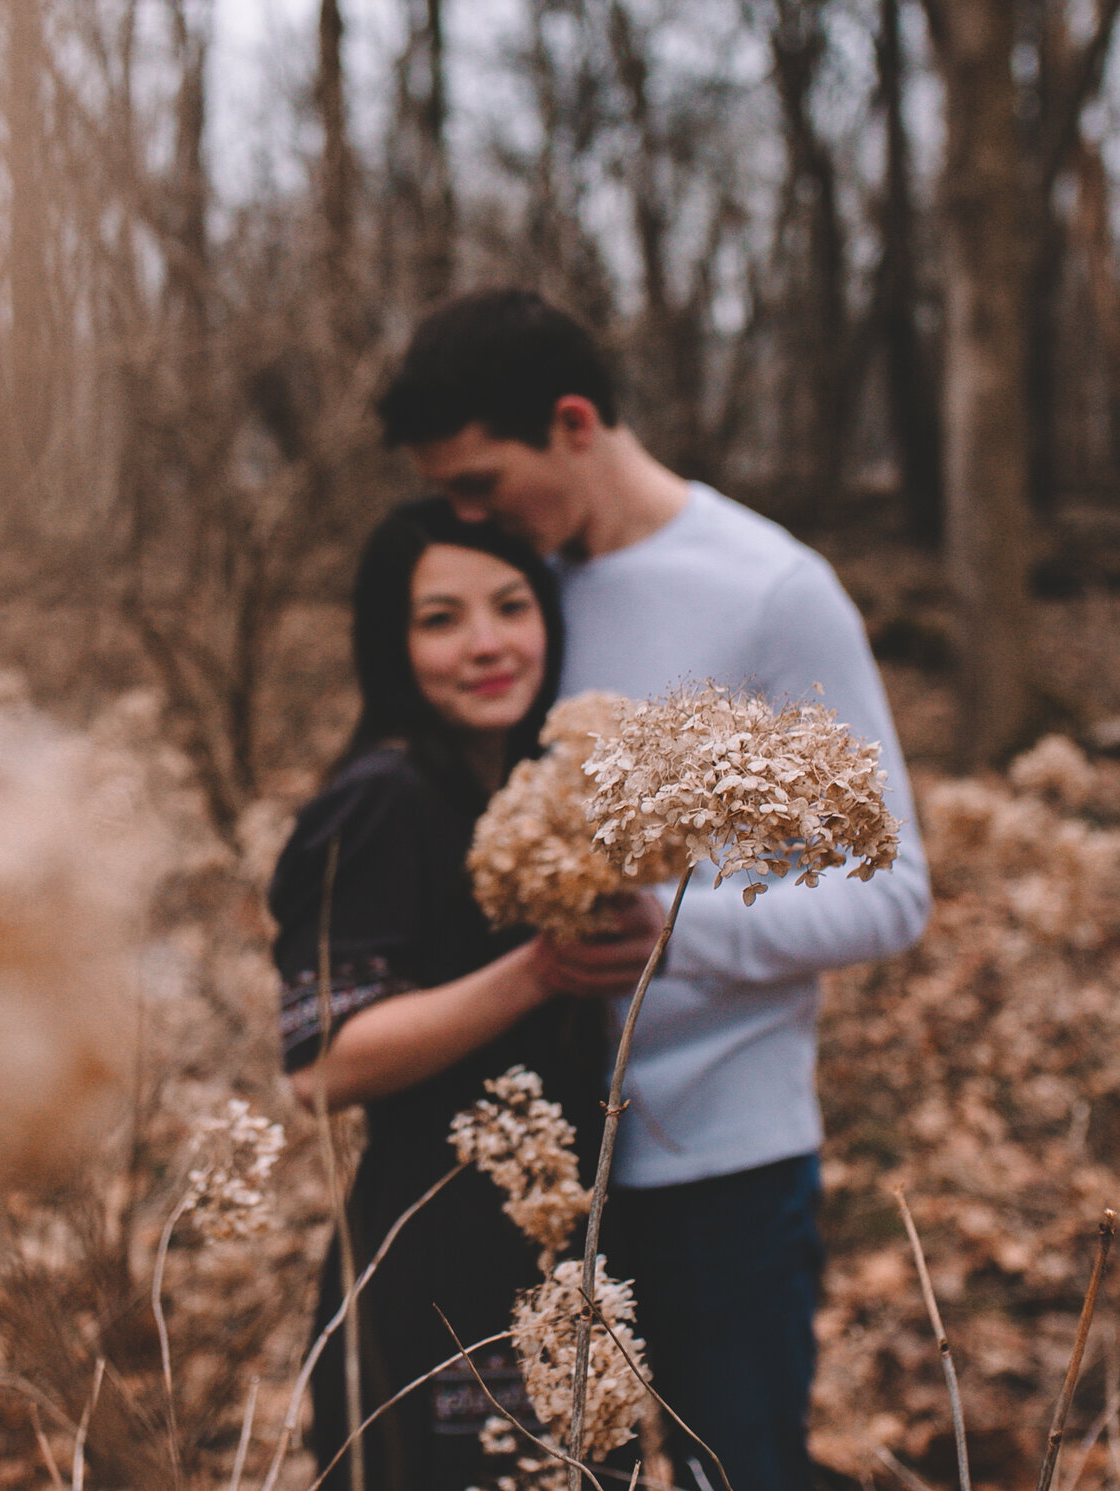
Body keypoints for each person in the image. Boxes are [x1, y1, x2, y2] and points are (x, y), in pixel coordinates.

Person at [376, 287, 934, 1491]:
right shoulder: (518, 594)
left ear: (573, 422)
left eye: (479, 481)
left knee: (742, 1471)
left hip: (724, 1160)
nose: (460, 517)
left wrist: (670, 938)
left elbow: (894, 895)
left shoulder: (773, 590)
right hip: (540, 1159)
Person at [268, 497, 656, 1491]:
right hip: (433, 1272)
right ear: (391, 644)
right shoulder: (380, 797)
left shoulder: (536, 792)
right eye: (439, 618)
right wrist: (538, 969)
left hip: (558, 1258)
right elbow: (321, 1064)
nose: (486, 643)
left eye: (511, 605)